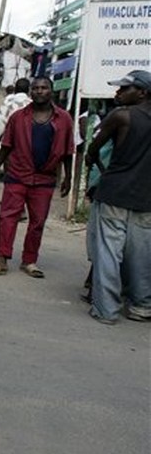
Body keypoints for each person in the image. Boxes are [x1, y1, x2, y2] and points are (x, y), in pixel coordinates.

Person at [0, 75, 73, 278]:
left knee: (38, 221)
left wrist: (68, 177)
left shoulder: (64, 119)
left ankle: (29, 260)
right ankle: (1, 259)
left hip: (45, 179)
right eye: (36, 88)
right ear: (31, 92)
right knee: (7, 217)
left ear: (51, 91)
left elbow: (68, 150)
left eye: (44, 88)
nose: (40, 91)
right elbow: (6, 145)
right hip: (17, 175)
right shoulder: (18, 117)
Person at [84, 70, 151, 324]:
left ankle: (106, 308)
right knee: (142, 255)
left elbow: (93, 148)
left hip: (114, 194)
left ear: (142, 92)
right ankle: (142, 306)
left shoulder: (121, 116)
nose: (118, 93)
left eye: (125, 89)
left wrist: (94, 163)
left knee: (108, 252)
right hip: (146, 199)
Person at [0, 78, 31, 156]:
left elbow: (0, 122)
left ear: (15, 89)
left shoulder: (9, 102)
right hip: (27, 146)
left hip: (8, 144)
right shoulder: (31, 104)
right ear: (28, 90)